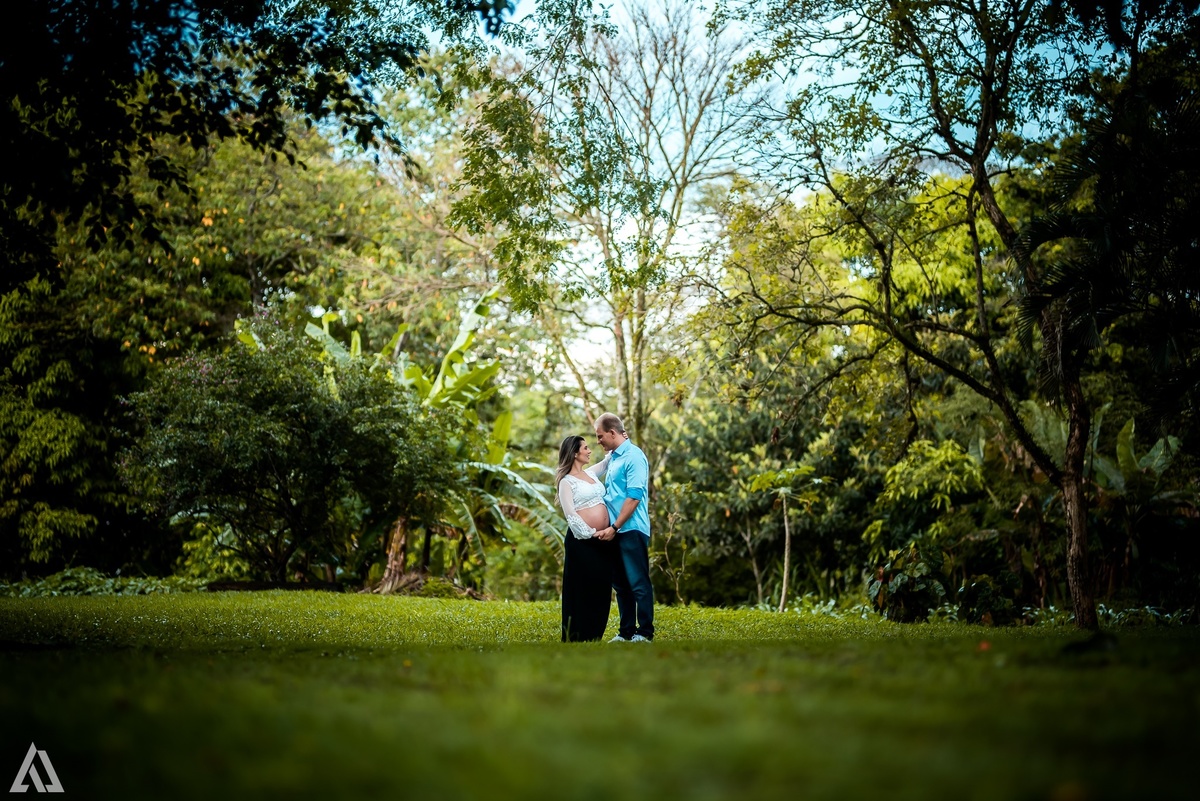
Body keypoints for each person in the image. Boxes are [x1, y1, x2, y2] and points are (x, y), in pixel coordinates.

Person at [592, 413, 654, 642]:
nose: (598, 441)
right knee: (621, 585)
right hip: (614, 531)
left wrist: (615, 527)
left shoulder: (634, 456)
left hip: (631, 529)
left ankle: (645, 633)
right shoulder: (613, 458)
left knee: (638, 582)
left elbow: (634, 496)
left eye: (600, 436)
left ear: (612, 432)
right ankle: (626, 632)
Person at [555, 434, 616, 642]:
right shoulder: (566, 482)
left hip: (604, 541)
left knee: (601, 587)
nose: (590, 451)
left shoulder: (591, 474)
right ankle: (576, 635)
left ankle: (594, 634)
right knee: (581, 588)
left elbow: (608, 461)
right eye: (586, 448)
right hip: (582, 542)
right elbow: (571, 515)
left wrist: (620, 438)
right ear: (574, 453)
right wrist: (592, 533)